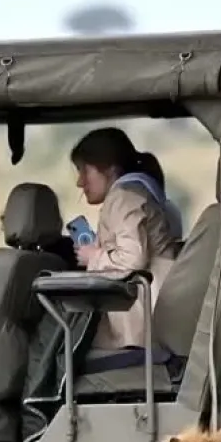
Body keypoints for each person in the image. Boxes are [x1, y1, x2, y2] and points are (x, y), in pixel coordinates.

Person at [69, 127, 183, 350]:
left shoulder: (123, 197)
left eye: (85, 171)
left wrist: (95, 256)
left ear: (109, 168)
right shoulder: (140, 192)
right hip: (159, 306)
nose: (80, 182)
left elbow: (133, 259)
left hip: (140, 315)